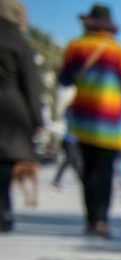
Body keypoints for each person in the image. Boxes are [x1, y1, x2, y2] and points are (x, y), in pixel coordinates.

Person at [58, 4, 121, 238]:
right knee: (105, 173)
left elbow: (65, 78)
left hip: (84, 119)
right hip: (112, 122)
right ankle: (102, 220)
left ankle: (91, 220)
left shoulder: (76, 47)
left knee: (89, 170)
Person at [0, 0, 41, 233]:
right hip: (12, 109)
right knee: (5, 164)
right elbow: (31, 84)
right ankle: (3, 210)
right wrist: (37, 117)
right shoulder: (18, 42)